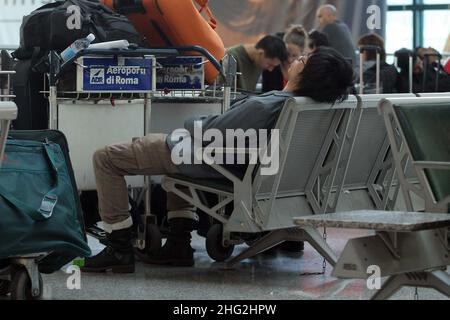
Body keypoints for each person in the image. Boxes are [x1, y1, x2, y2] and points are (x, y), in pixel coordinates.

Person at [80, 47, 354, 273]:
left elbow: (207, 133)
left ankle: (119, 247)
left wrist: (191, 122)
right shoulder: (311, 111)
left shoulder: (266, 106)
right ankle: (177, 243)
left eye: (304, 59)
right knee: (167, 161)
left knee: (106, 158)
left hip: (204, 157)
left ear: (308, 74)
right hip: (234, 164)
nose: (297, 58)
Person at [262, 25, 309, 92]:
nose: (289, 59)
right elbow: (265, 94)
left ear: (302, 54)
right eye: (287, 54)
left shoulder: (305, 71)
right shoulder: (272, 67)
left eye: (294, 55)